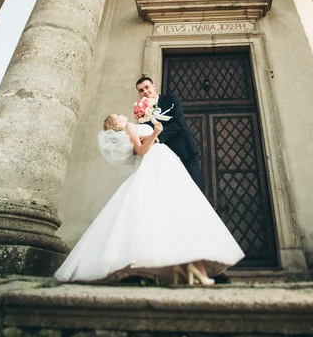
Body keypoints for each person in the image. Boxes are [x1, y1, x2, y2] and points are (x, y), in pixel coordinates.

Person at [54, 114, 244, 285]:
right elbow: (142, 150)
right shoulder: (129, 127)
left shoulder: (131, 127)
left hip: (161, 161)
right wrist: (156, 133)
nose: (122, 115)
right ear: (116, 123)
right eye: (117, 116)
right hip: (155, 161)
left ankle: (187, 268)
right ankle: (190, 267)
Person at [136, 76, 202, 189]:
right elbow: (146, 132)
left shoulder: (170, 98)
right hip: (163, 158)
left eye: (147, 87)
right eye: (141, 90)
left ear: (154, 86)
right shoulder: (141, 111)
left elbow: (179, 123)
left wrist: (155, 137)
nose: (145, 91)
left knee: (195, 189)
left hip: (184, 150)